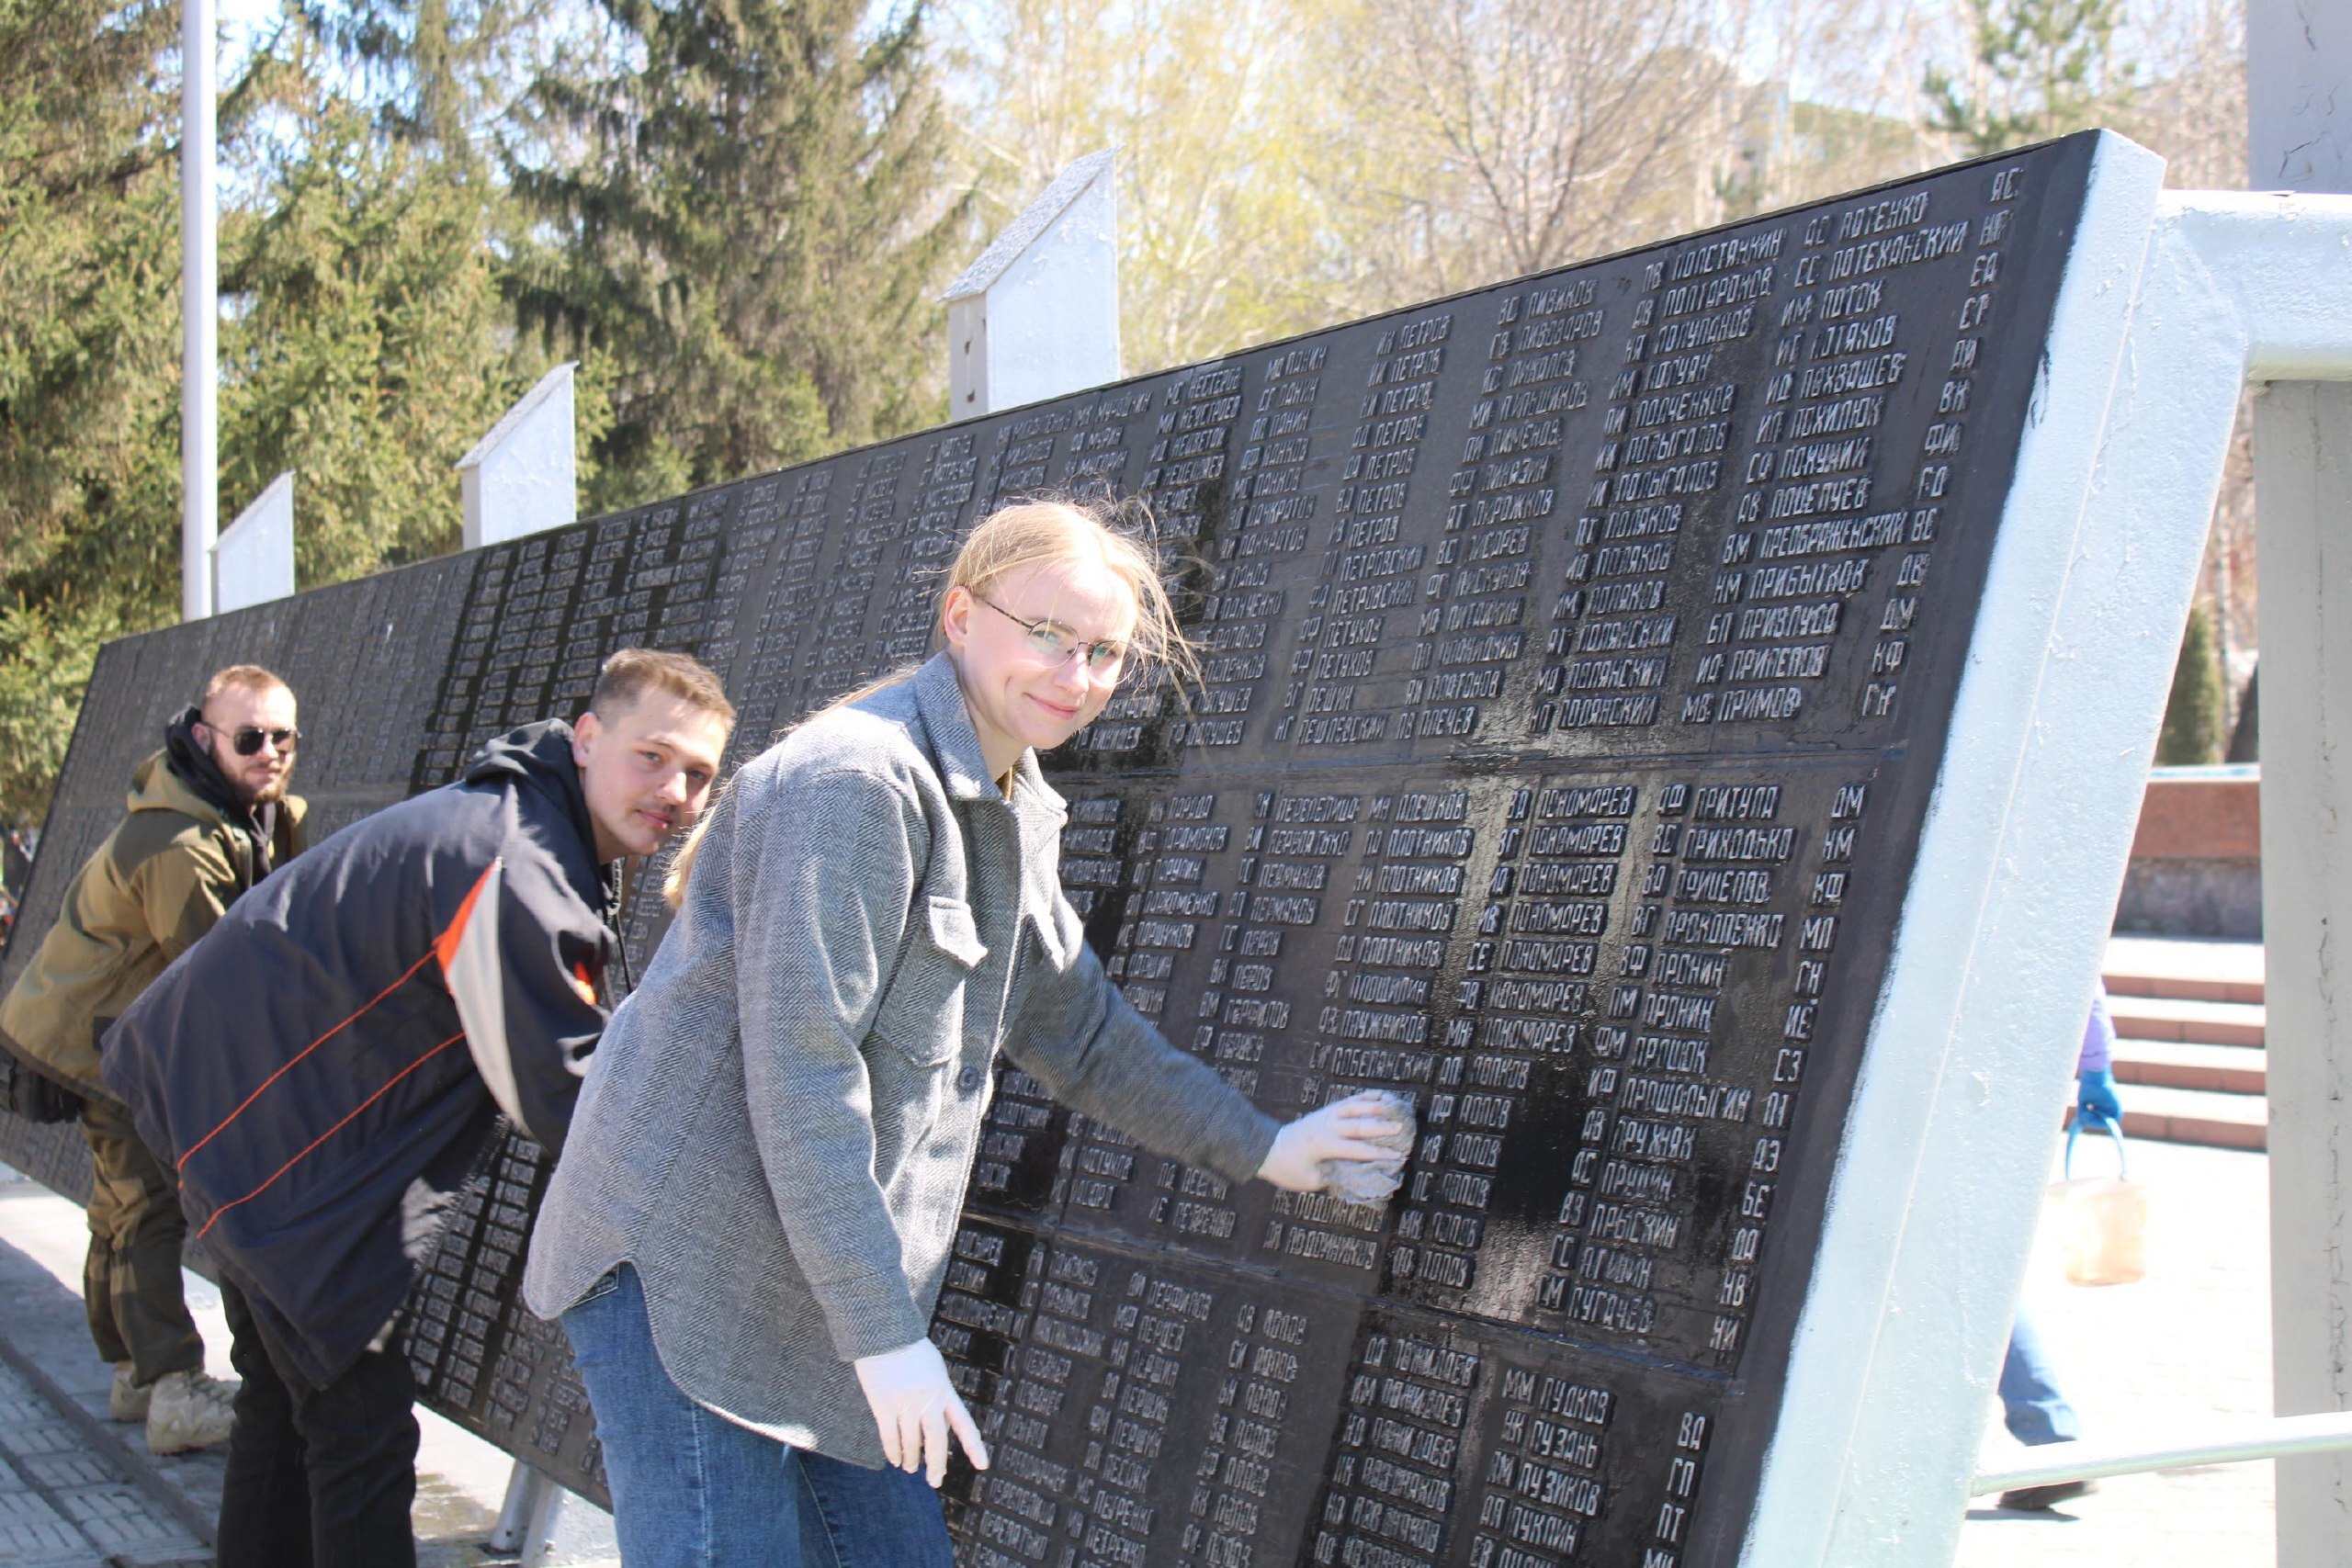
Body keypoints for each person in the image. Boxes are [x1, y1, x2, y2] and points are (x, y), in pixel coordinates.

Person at [523, 500, 1412, 1567]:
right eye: (1044, 633)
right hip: (685, 1272)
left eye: (1102, 654)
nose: (1073, 675)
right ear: (959, 616)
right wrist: (887, 1336)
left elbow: (1078, 1029)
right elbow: (801, 1075)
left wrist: (1267, 1146)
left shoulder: (1011, 801)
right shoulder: (857, 782)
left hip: (825, 1289)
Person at [102, 648, 734, 1568]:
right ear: (589, 738)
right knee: (360, 1434)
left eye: (700, 775)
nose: (676, 790)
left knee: (287, 1407)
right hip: (272, 1152)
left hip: (219, 1113)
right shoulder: (515, 864)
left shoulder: (524, 819)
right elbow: (561, 1096)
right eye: (654, 756)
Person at [0, 664, 306, 1453]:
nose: (270, 752)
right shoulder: (180, 841)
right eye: (250, 737)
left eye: (283, 737)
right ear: (204, 737)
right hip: (96, 1035)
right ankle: (171, 1385)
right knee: (141, 1204)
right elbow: (214, 972)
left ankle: (136, 1371)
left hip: (116, 1024)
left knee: (120, 1205)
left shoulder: (242, 810)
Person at [1995, 983, 2124, 1511]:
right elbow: (2085, 981)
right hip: (2010, 1088)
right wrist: (2097, 1070)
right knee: (1973, 1276)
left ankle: (2052, 1439)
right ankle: (2051, 1437)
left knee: (1966, 1276)